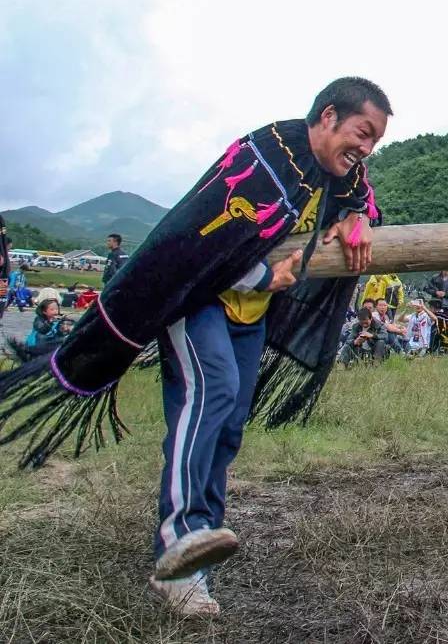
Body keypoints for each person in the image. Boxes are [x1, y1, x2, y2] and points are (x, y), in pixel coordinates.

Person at [0, 77, 389, 618]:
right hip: (196, 301)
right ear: (328, 116)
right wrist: (266, 277)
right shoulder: (264, 160)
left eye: (375, 141)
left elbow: (361, 199)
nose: (366, 148)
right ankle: (178, 546)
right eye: (362, 133)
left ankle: (203, 540)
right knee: (212, 393)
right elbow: (198, 249)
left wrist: (357, 217)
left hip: (249, 315)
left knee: (229, 425)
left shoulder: (336, 175)